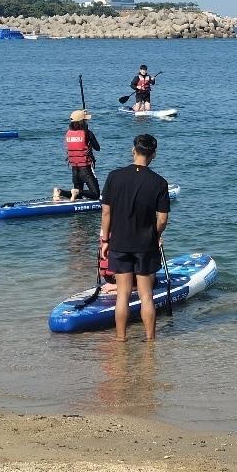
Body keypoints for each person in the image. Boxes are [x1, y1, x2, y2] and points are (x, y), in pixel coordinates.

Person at [100, 133, 171, 341]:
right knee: (146, 296)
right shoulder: (159, 183)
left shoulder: (114, 176)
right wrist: (154, 235)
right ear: (154, 155)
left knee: (122, 295)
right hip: (145, 245)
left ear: (133, 150)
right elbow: (163, 220)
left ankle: (121, 339)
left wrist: (105, 240)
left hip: (119, 242)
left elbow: (106, 213)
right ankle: (150, 341)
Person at [54, 109, 101, 202]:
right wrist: (89, 138)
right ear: (82, 122)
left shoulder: (68, 133)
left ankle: (60, 192)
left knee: (78, 195)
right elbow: (97, 148)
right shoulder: (87, 133)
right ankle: (76, 192)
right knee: (96, 194)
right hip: (85, 169)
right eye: (85, 120)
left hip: (74, 168)